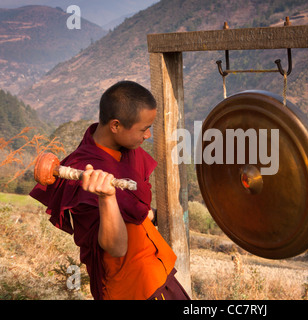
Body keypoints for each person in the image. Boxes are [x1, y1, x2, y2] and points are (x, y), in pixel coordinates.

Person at [30, 81, 190, 300]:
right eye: (143, 129)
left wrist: (150, 214)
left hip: (159, 268)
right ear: (115, 125)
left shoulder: (124, 150)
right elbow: (115, 247)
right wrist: (107, 198)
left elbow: (135, 208)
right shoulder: (83, 177)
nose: (148, 135)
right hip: (134, 287)